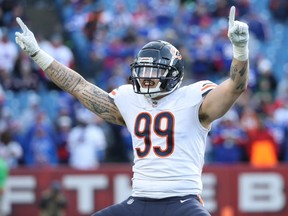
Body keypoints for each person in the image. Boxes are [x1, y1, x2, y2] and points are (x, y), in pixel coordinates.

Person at [14, 6, 249, 216]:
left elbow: (235, 87)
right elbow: (78, 86)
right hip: (138, 200)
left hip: (182, 201)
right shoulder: (130, 99)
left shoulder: (194, 97)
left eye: (153, 71)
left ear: (173, 73)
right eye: (143, 71)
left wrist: (240, 50)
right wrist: (39, 55)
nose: (146, 78)